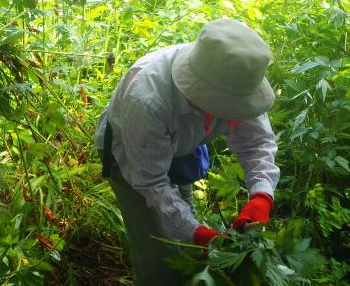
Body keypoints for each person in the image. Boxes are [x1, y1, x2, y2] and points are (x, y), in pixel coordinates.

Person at [94, 18, 280, 286]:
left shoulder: (235, 75)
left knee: (187, 244)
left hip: (180, 149)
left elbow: (257, 142)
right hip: (131, 159)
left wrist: (262, 195)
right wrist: (197, 233)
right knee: (159, 258)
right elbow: (152, 183)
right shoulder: (147, 100)